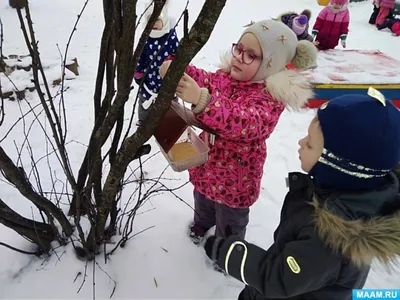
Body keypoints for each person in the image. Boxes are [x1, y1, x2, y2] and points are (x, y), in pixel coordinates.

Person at [203, 89, 400, 299]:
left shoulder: (330, 237)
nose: (301, 143)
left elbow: (279, 278)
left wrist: (229, 253)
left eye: (310, 144)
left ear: (337, 164)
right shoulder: (354, 191)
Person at [159, 19, 317, 247]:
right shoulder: (225, 77)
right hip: (207, 163)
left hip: (237, 177)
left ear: (271, 65)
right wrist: (176, 67)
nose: (239, 57)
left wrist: (202, 100)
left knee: (231, 218)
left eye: (250, 55)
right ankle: (202, 223)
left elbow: (243, 121)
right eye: (239, 49)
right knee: (202, 198)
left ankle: (228, 249)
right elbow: (204, 78)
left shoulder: (269, 99)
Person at [134, 0, 179, 125]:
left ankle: (174, 121)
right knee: (144, 101)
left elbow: (177, 54)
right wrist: (138, 73)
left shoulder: (170, 36)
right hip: (149, 80)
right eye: (150, 20)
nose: (153, 24)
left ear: (164, 21)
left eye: (157, 20)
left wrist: (177, 71)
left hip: (167, 80)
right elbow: (140, 56)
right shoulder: (146, 37)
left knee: (171, 102)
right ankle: (143, 121)